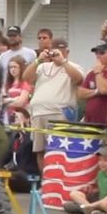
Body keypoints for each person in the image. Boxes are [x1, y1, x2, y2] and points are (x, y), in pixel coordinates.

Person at [23, 38, 84, 172]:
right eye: (55, 50)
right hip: (38, 113)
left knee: (59, 150)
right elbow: (26, 77)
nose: (58, 53)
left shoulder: (73, 66)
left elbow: (79, 79)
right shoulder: (42, 67)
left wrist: (62, 62)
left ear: (67, 52)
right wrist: (38, 60)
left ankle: (60, 180)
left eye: (62, 50)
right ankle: (46, 183)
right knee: (40, 150)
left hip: (60, 112)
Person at [63, 145, 107, 214]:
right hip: (98, 201)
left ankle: (89, 209)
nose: (101, 163)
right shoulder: (100, 173)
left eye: (105, 160)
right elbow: (99, 189)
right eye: (100, 160)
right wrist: (90, 188)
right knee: (73, 195)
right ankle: (90, 209)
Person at [77, 40, 107, 125]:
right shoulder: (92, 73)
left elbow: (104, 90)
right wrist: (97, 91)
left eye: (102, 53)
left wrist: (98, 73)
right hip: (90, 122)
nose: (98, 56)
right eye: (96, 53)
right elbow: (80, 93)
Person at [1, 55, 32, 124]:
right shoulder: (7, 84)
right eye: (10, 67)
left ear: (21, 67)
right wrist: (14, 99)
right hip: (9, 117)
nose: (12, 69)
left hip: (22, 118)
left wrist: (6, 101)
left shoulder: (25, 83)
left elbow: (21, 102)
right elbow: (0, 101)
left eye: (15, 67)